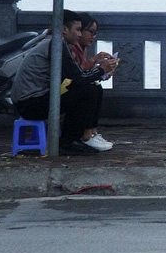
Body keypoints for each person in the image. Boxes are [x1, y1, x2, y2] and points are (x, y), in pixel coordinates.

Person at [11, 9, 118, 156]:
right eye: (78, 30)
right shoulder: (56, 45)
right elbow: (78, 78)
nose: (80, 34)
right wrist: (101, 70)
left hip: (32, 101)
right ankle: (69, 141)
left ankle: (80, 137)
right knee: (86, 91)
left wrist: (99, 73)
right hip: (30, 104)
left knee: (91, 87)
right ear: (64, 29)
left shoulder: (54, 42)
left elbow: (74, 78)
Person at [68, 12, 116, 151]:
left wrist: (101, 72)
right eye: (91, 32)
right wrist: (97, 65)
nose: (93, 37)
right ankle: (86, 135)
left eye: (95, 33)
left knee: (95, 87)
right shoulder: (71, 48)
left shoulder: (80, 48)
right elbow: (77, 74)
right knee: (90, 89)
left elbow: (81, 72)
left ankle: (92, 132)